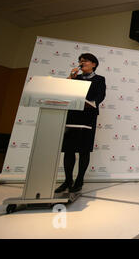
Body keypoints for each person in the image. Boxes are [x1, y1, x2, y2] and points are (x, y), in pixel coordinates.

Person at [55, 53, 106, 193]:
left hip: (87, 117)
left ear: (94, 64)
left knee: (84, 149)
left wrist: (90, 103)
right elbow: (64, 92)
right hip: (72, 116)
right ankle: (67, 180)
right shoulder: (75, 78)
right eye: (80, 61)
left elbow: (100, 96)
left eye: (85, 61)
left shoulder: (99, 79)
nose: (82, 63)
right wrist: (70, 77)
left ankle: (79, 180)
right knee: (69, 149)